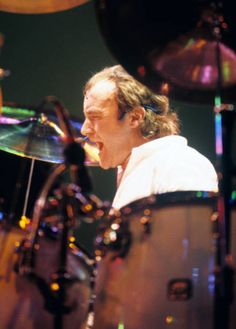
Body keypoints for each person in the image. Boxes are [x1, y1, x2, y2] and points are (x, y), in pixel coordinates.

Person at [81, 65, 218, 209]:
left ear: (134, 118)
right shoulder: (138, 169)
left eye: (94, 116)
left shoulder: (180, 164)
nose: (84, 130)